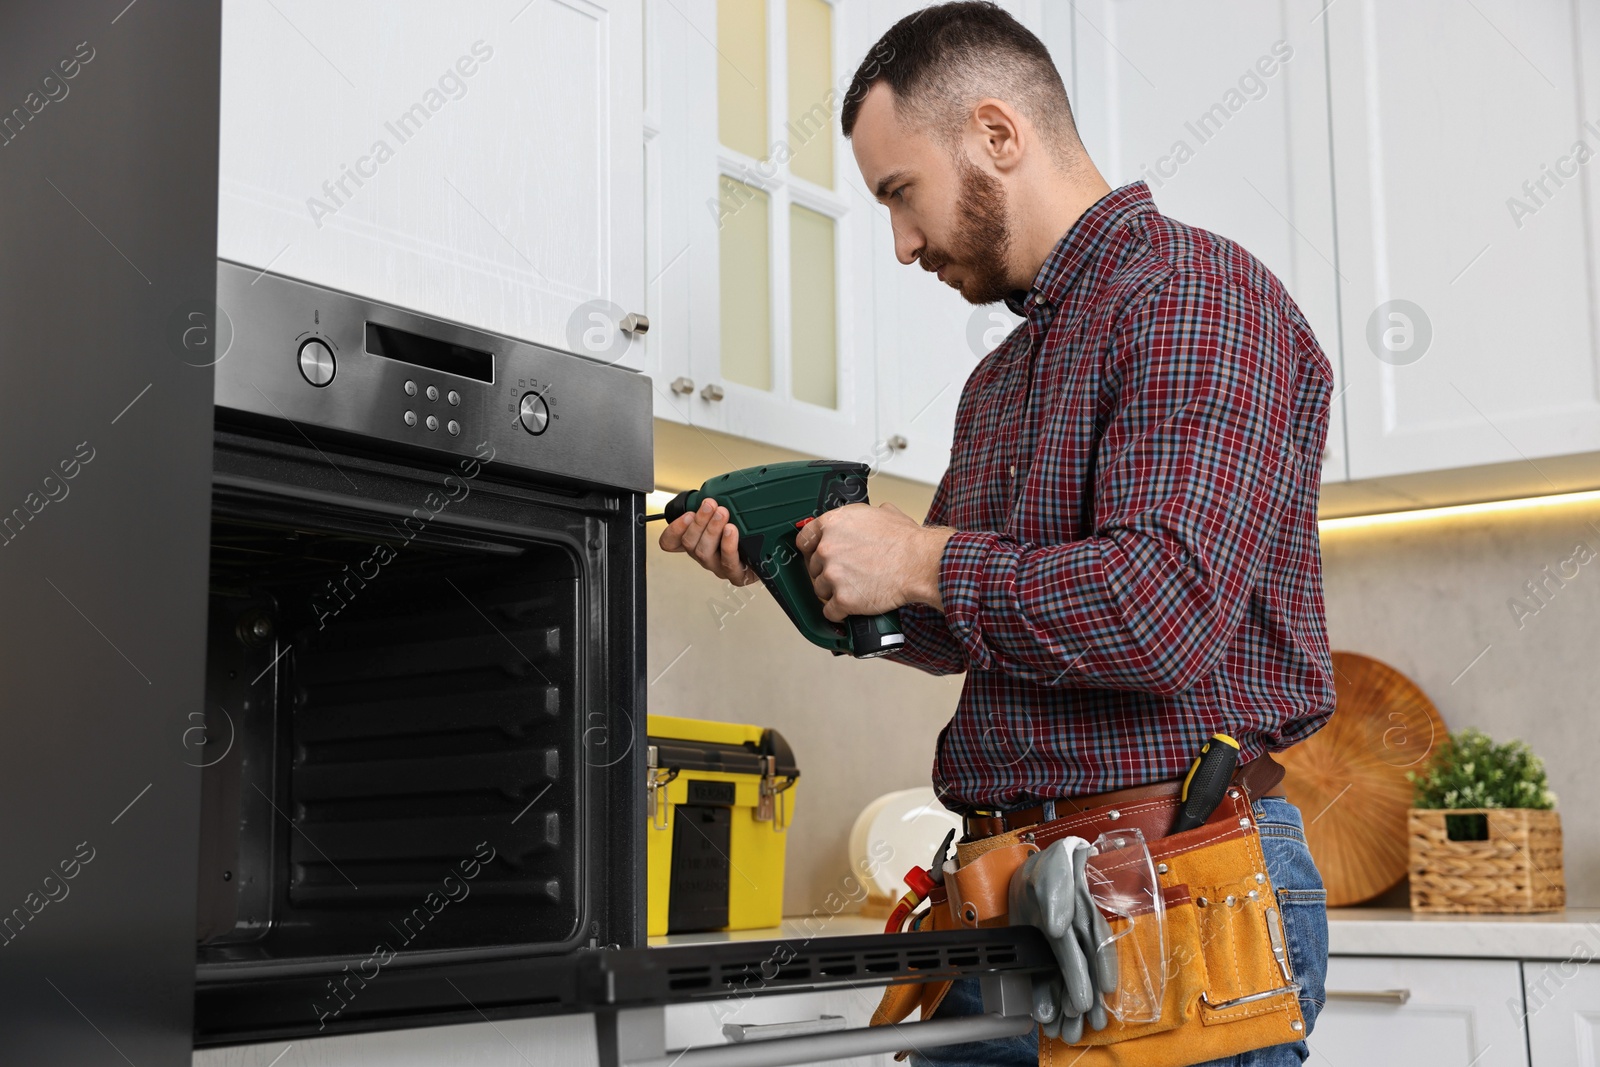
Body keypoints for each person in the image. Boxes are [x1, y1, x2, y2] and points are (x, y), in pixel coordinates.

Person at [658, 3, 1335, 1063]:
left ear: (996, 134)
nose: (900, 243)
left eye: (899, 194)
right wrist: (794, 565)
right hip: (1002, 891)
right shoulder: (1003, 378)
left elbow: (1156, 612)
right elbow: (953, 624)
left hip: (1168, 890)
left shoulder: (1196, 298)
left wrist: (916, 555)